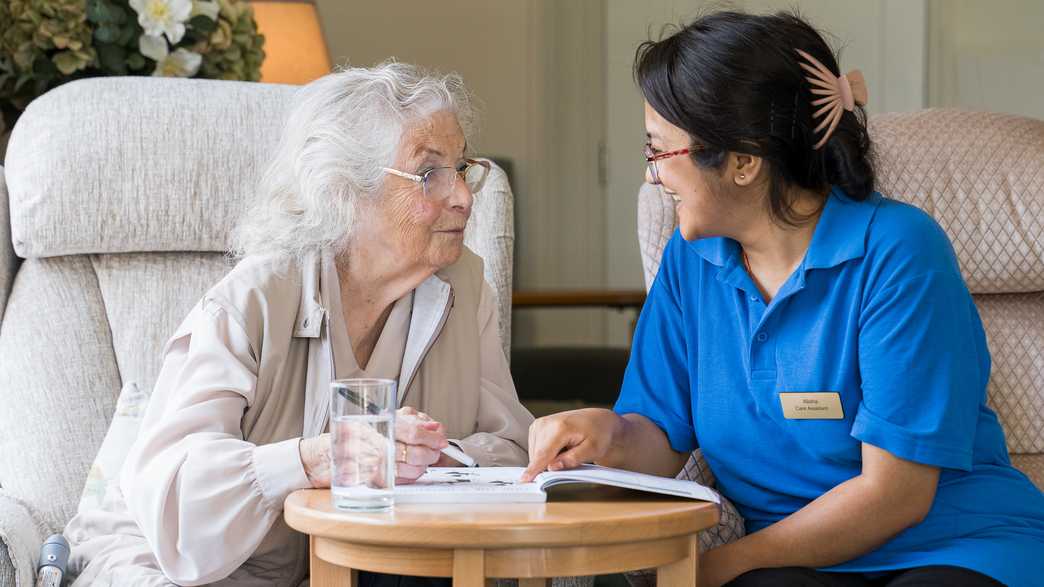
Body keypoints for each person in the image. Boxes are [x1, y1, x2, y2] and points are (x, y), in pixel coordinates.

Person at [524, 11, 1044, 587]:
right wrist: (608, 436)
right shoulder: (690, 259)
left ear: (744, 162)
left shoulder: (899, 251)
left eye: (659, 152)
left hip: (954, 547)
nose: (651, 177)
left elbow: (895, 496)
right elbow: (662, 436)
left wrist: (723, 564)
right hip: (795, 558)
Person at [64, 62, 533, 587]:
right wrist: (314, 460)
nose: (464, 197)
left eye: (463, 168)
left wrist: (430, 456)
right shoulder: (255, 299)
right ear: (346, 191)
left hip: (337, 568)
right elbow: (176, 503)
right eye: (430, 175)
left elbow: (513, 449)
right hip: (170, 567)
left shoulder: (463, 290)